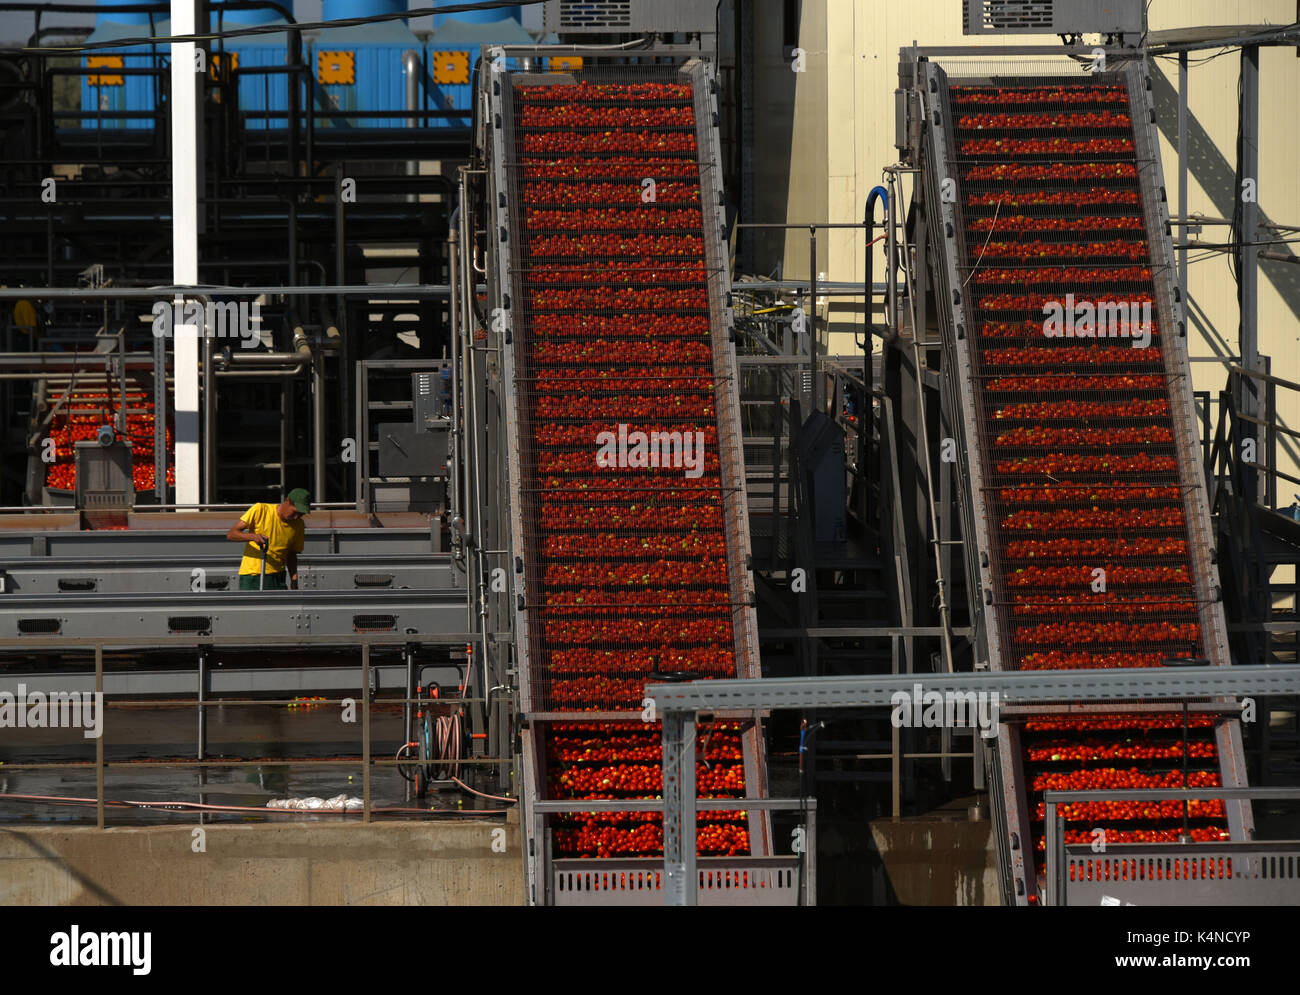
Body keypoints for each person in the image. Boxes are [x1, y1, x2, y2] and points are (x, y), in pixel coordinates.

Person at [226, 488, 310, 590]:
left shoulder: (299, 525)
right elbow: (232, 534)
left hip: (279, 576)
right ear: (287, 501)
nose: (296, 517)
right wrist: (253, 537)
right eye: (294, 512)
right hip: (253, 575)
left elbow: (291, 553)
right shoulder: (260, 510)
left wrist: (294, 578)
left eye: (301, 514)